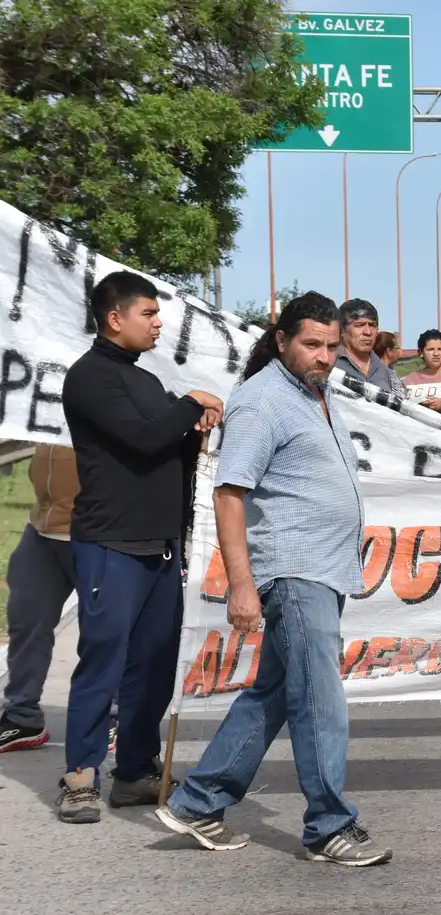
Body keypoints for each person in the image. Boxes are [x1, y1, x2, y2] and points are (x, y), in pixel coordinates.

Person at [156, 292, 391, 865]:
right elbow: (229, 493)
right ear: (281, 339)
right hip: (293, 568)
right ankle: (329, 826)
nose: (325, 356)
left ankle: (198, 801)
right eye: (312, 344)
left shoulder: (316, 394)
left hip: (323, 568)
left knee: (275, 694)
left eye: (333, 346)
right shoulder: (262, 401)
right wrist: (241, 584)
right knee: (320, 699)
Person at [58, 271, 223, 823]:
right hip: (111, 543)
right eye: (149, 314)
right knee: (103, 660)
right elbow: (143, 437)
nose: (158, 324)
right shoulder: (90, 377)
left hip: (160, 547)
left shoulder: (145, 380)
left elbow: (165, 448)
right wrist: (191, 402)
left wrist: (194, 427)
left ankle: (134, 770)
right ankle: (80, 776)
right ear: (115, 318)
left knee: (153, 665)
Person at [0, 444, 79, 754]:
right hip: (43, 528)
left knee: (106, 635)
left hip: (100, 533)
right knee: (25, 620)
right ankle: (22, 717)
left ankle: (112, 715)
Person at [332, 299, 401, 395]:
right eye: (359, 325)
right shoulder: (330, 363)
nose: (368, 332)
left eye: (372, 325)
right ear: (342, 329)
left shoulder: (383, 370)